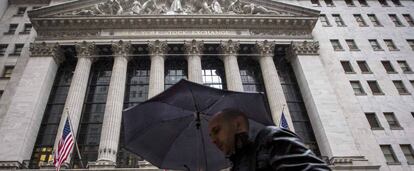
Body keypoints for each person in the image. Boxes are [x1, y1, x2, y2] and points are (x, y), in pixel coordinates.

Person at [208, 108, 331, 171]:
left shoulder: (271, 138)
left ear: (238, 124)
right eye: (211, 136)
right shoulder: (237, 164)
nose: (213, 140)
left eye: (216, 131)